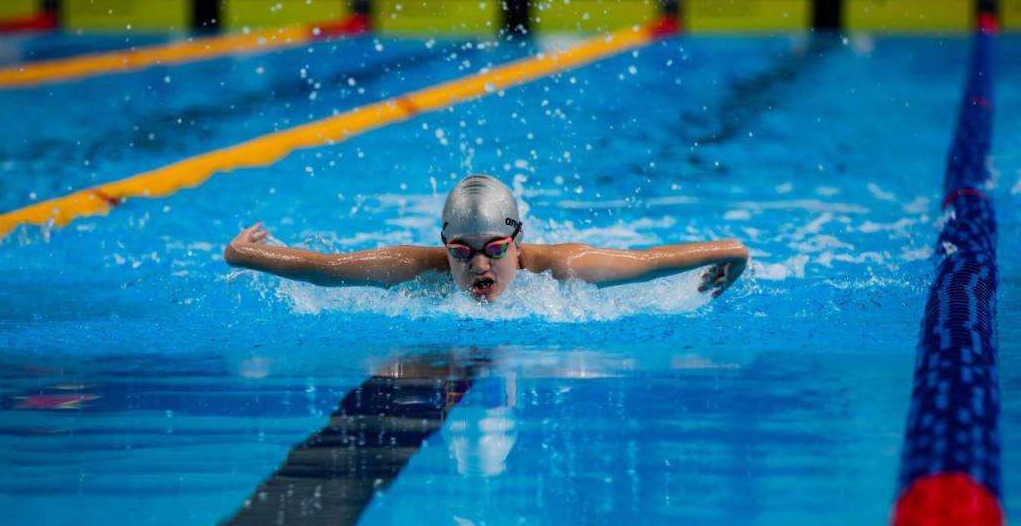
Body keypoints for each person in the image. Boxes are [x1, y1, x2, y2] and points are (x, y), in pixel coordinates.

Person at [224, 174, 749, 302]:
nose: (479, 266)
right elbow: (327, 268)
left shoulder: (563, 267)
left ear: (517, 242)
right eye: (461, 252)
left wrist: (735, 254)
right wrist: (244, 255)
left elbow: (649, 260)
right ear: (444, 245)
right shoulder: (414, 268)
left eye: (495, 250)